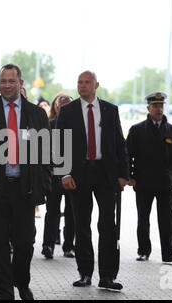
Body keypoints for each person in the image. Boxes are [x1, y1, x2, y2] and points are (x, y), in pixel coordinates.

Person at [0, 64, 51, 300]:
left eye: (11, 81)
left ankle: (21, 281)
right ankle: (5, 296)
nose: (6, 85)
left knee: (25, 243)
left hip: (26, 189)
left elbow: (46, 153)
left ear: (20, 83)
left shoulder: (36, 114)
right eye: (3, 80)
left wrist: (43, 182)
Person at [56, 70, 128, 290]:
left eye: (87, 82)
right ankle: (85, 273)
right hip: (79, 175)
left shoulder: (109, 110)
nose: (83, 86)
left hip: (105, 174)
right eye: (80, 82)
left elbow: (119, 143)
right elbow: (60, 144)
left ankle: (107, 276)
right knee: (82, 224)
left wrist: (123, 175)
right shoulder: (67, 111)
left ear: (96, 85)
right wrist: (64, 174)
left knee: (107, 224)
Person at [126, 92, 172, 263]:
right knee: (143, 220)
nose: (159, 109)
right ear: (148, 108)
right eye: (155, 106)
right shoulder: (137, 130)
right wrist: (129, 176)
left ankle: (168, 253)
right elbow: (127, 155)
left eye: (161, 106)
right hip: (143, 182)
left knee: (166, 220)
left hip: (165, 183)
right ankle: (143, 251)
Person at [42, 93, 75, 259]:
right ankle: (48, 245)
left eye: (68, 104)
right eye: (60, 104)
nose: (63, 107)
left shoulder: (78, 125)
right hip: (54, 175)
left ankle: (69, 246)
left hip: (73, 176)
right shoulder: (48, 125)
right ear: (55, 107)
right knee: (52, 211)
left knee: (72, 212)